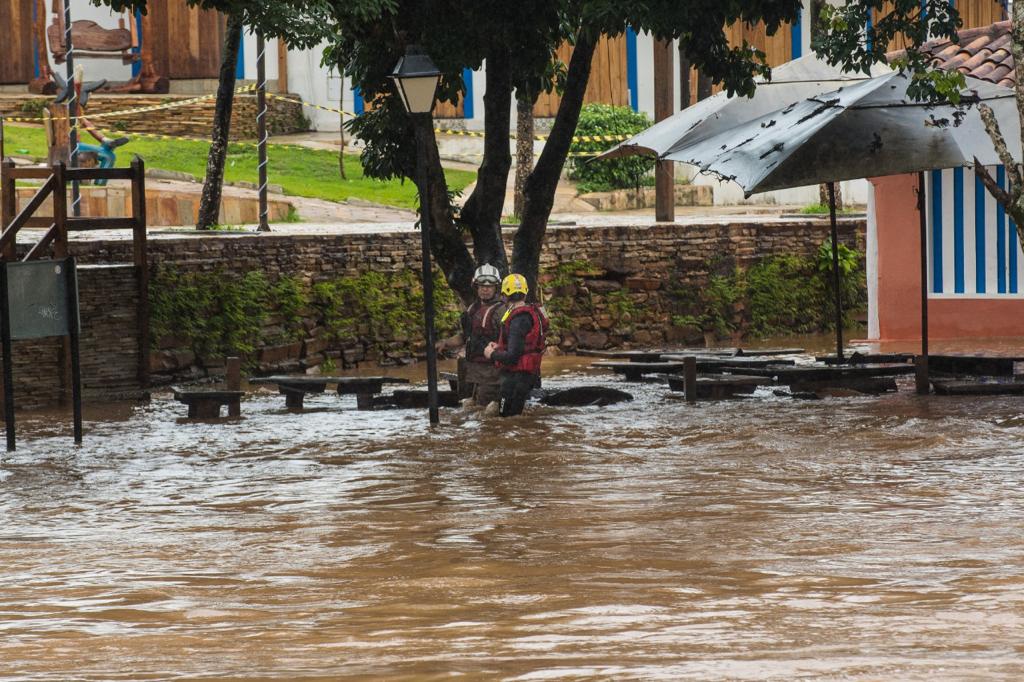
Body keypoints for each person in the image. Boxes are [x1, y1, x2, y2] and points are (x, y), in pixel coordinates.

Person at [435, 264, 506, 407]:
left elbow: (508, 341)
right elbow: (466, 336)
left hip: (492, 372)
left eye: (490, 286)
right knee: (469, 406)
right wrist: (446, 343)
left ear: (496, 288)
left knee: (487, 410)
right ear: (476, 287)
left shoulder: (501, 311)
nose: (485, 289)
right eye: (482, 286)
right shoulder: (473, 309)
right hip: (473, 369)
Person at [484, 273, 549, 417]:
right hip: (528, 375)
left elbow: (513, 356)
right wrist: (499, 346)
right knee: (515, 418)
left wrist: (492, 354)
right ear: (525, 293)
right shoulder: (530, 311)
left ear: (504, 295)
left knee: (505, 419)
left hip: (516, 379)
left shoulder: (518, 319)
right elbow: (520, 344)